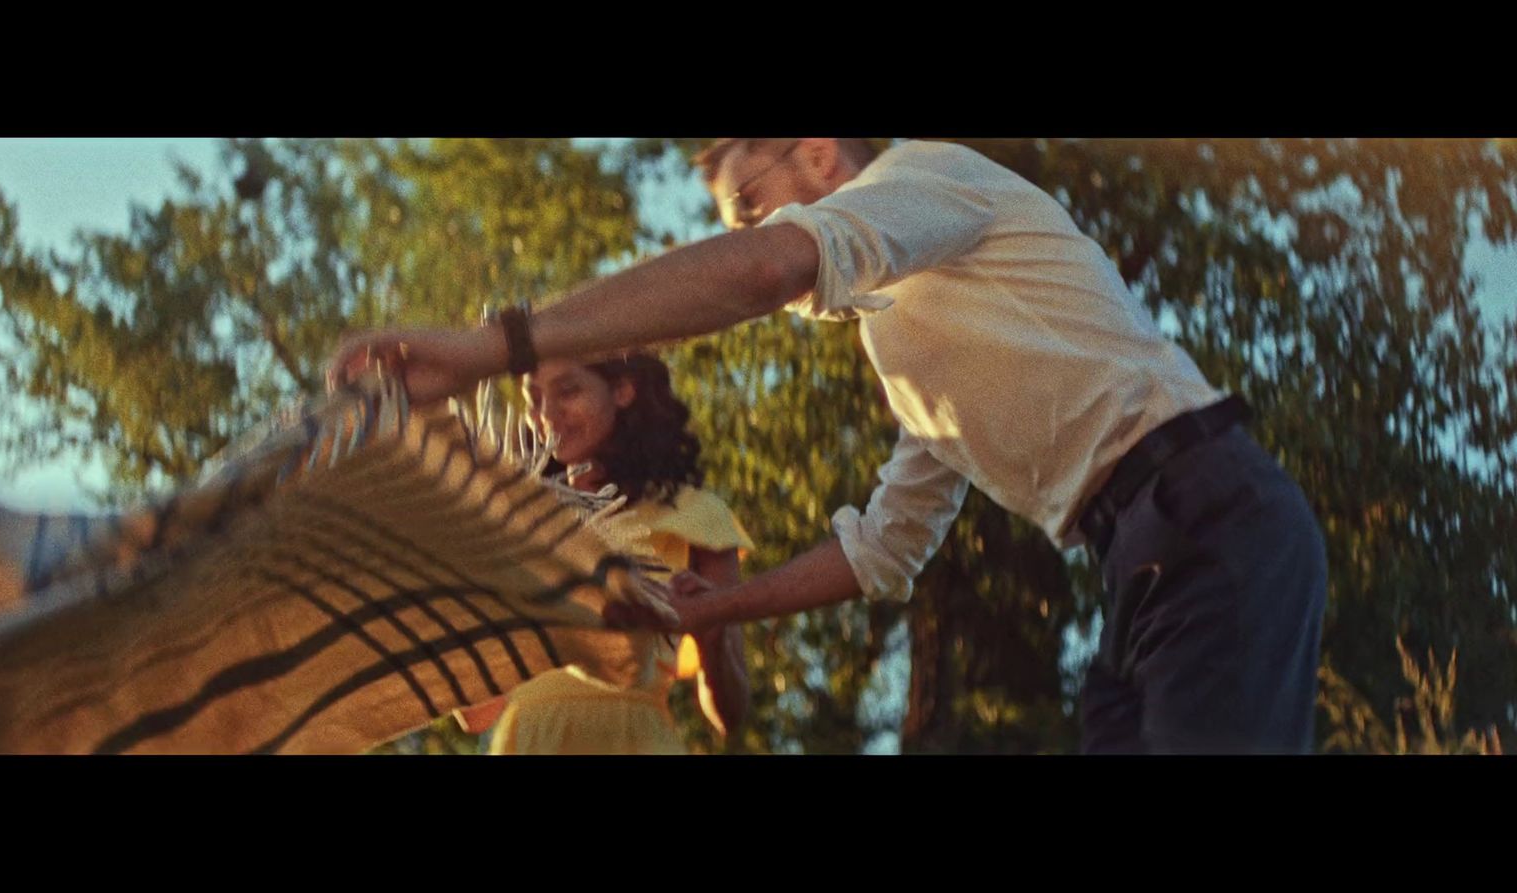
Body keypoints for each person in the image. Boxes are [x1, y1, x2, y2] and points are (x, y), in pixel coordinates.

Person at [331, 138, 1328, 754]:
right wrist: (721, 605)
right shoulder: (909, 343)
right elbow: (884, 549)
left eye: (750, 202)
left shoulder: (927, 174)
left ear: (817, 155)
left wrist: (492, 346)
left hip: (1205, 509)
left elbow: (765, 267)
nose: (753, 231)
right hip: (1136, 561)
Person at [454, 353, 752, 754]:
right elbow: (475, 715)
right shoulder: (512, 520)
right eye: (535, 398)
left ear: (623, 389)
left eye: (568, 390)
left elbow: (729, 714)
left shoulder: (696, 516)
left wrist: (711, 637)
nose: (548, 414)